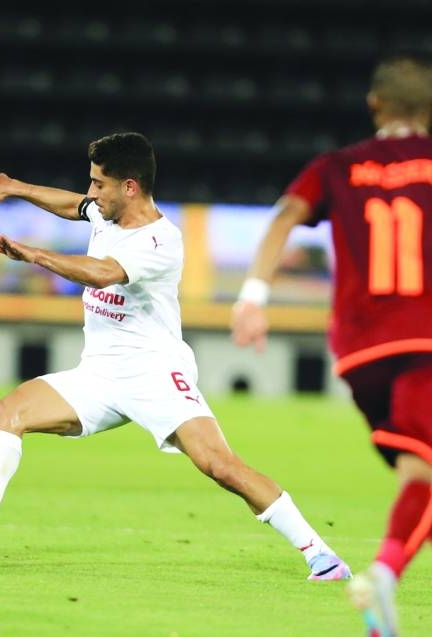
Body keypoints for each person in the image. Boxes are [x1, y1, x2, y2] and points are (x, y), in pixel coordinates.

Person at [0, 132, 352, 582]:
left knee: (220, 466)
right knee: (6, 412)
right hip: (100, 374)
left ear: (129, 187)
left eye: (98, 185)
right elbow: (74, 206)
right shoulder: (105, 212)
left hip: (156, 373)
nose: (91, 194)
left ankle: (320, 553)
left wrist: (34, 255)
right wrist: (17, 188)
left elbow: (104, 273)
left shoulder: (162, 241)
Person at [232, 51, 432, 635]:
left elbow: (285, 215)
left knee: (416, 469)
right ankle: (385, 577)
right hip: (424, 339)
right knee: (423, 474)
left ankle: (383, 602)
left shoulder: (339, 165)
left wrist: (253, 296)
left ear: (375, 104)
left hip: (361, 351)